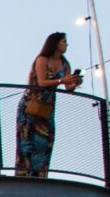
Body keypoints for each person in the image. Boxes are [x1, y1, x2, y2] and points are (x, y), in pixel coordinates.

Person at [16, 31, 83, 177]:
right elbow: (42, 82)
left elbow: (68, 87)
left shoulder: (65, 63)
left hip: (48, 106)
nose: (66, 45)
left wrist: (75, 82)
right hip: (31, 104)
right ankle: (25, 175)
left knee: (47, 140)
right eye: (63, 41)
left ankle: (40, 174)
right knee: (27, 141)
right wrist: (61, 81)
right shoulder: (42, 59)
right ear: (55, 43)